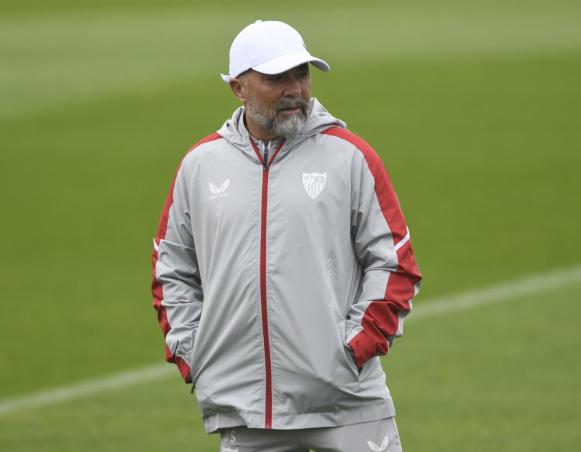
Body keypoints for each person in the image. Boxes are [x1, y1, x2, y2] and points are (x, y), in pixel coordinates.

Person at [151, 20, 421, 452]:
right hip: (245, 409)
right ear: (239, 88)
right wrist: (196, 355)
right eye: (277, 78)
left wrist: (351, 351)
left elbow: (395, 262)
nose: (295, 89)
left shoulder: (351, 157)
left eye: (302, 74)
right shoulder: (199, 166)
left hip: (346, 403)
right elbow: (173, 271)